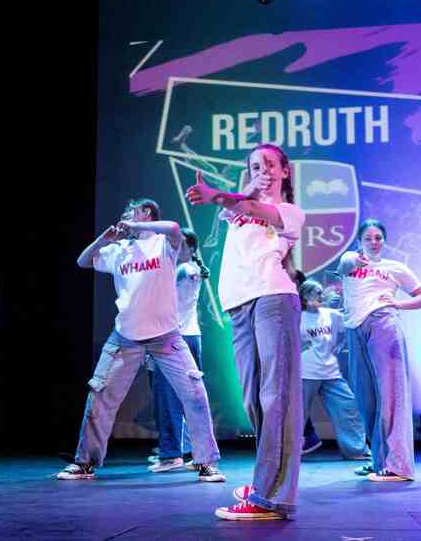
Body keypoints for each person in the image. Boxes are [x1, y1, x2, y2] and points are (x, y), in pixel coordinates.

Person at [56, 199, 224, 483]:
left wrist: (134, 225)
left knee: (195, 394)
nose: (124, 218)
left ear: (146, 213)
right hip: (125, 337)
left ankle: (206, 462)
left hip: (166, 336)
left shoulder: (163, 244)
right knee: (100, 397)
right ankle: (85, 462)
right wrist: (103, 240)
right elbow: (82, 261)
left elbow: (174, 227)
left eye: (129, 214)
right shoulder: (119, 250)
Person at [187, 144, 305, 520]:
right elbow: (239, 205)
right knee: (254, 400)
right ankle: (265, 480)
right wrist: (244, 187)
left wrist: (218, 194)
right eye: (255, 166)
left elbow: (253, 209)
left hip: (273, 299)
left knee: (276, 400)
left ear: (285, 171)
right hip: (239, 306)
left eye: (270, 164)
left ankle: (272, 496)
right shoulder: (237, 207)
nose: (264, 170)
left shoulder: (290, 212)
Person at [339, 219, 421, 482]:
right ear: (359, 241)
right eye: (368, 238)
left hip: (383, 324)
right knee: (365, 399)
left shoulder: (395, 267)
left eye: (378, 237)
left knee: (391, 396)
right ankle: (379, 460)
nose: (374, 242)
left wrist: (398, 304)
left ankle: (398, 466)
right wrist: (355, 259)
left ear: (385, 240)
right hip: (354, 329)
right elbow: (345, 264)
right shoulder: (349, 260)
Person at [148, 228, 212, 472]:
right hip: (183, 337)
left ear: (192, 249)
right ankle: (195, 453)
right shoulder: (186, 269)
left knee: (168, 401)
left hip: (174, 339)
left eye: (180, 244)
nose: (174, 248)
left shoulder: (186, 269)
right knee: (187, 400)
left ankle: (171, 455)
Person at [298, 280, 371, 461]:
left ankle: (356, 450)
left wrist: (341, 345)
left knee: (348, 407)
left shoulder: (331, 315)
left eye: (321, 291)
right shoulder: (297, 318)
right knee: (297, 415)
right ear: (305, 297)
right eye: (316, 292)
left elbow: (351, 325)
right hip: (305, 373)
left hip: (330, 372)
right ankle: (289, 454)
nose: (320, 295)